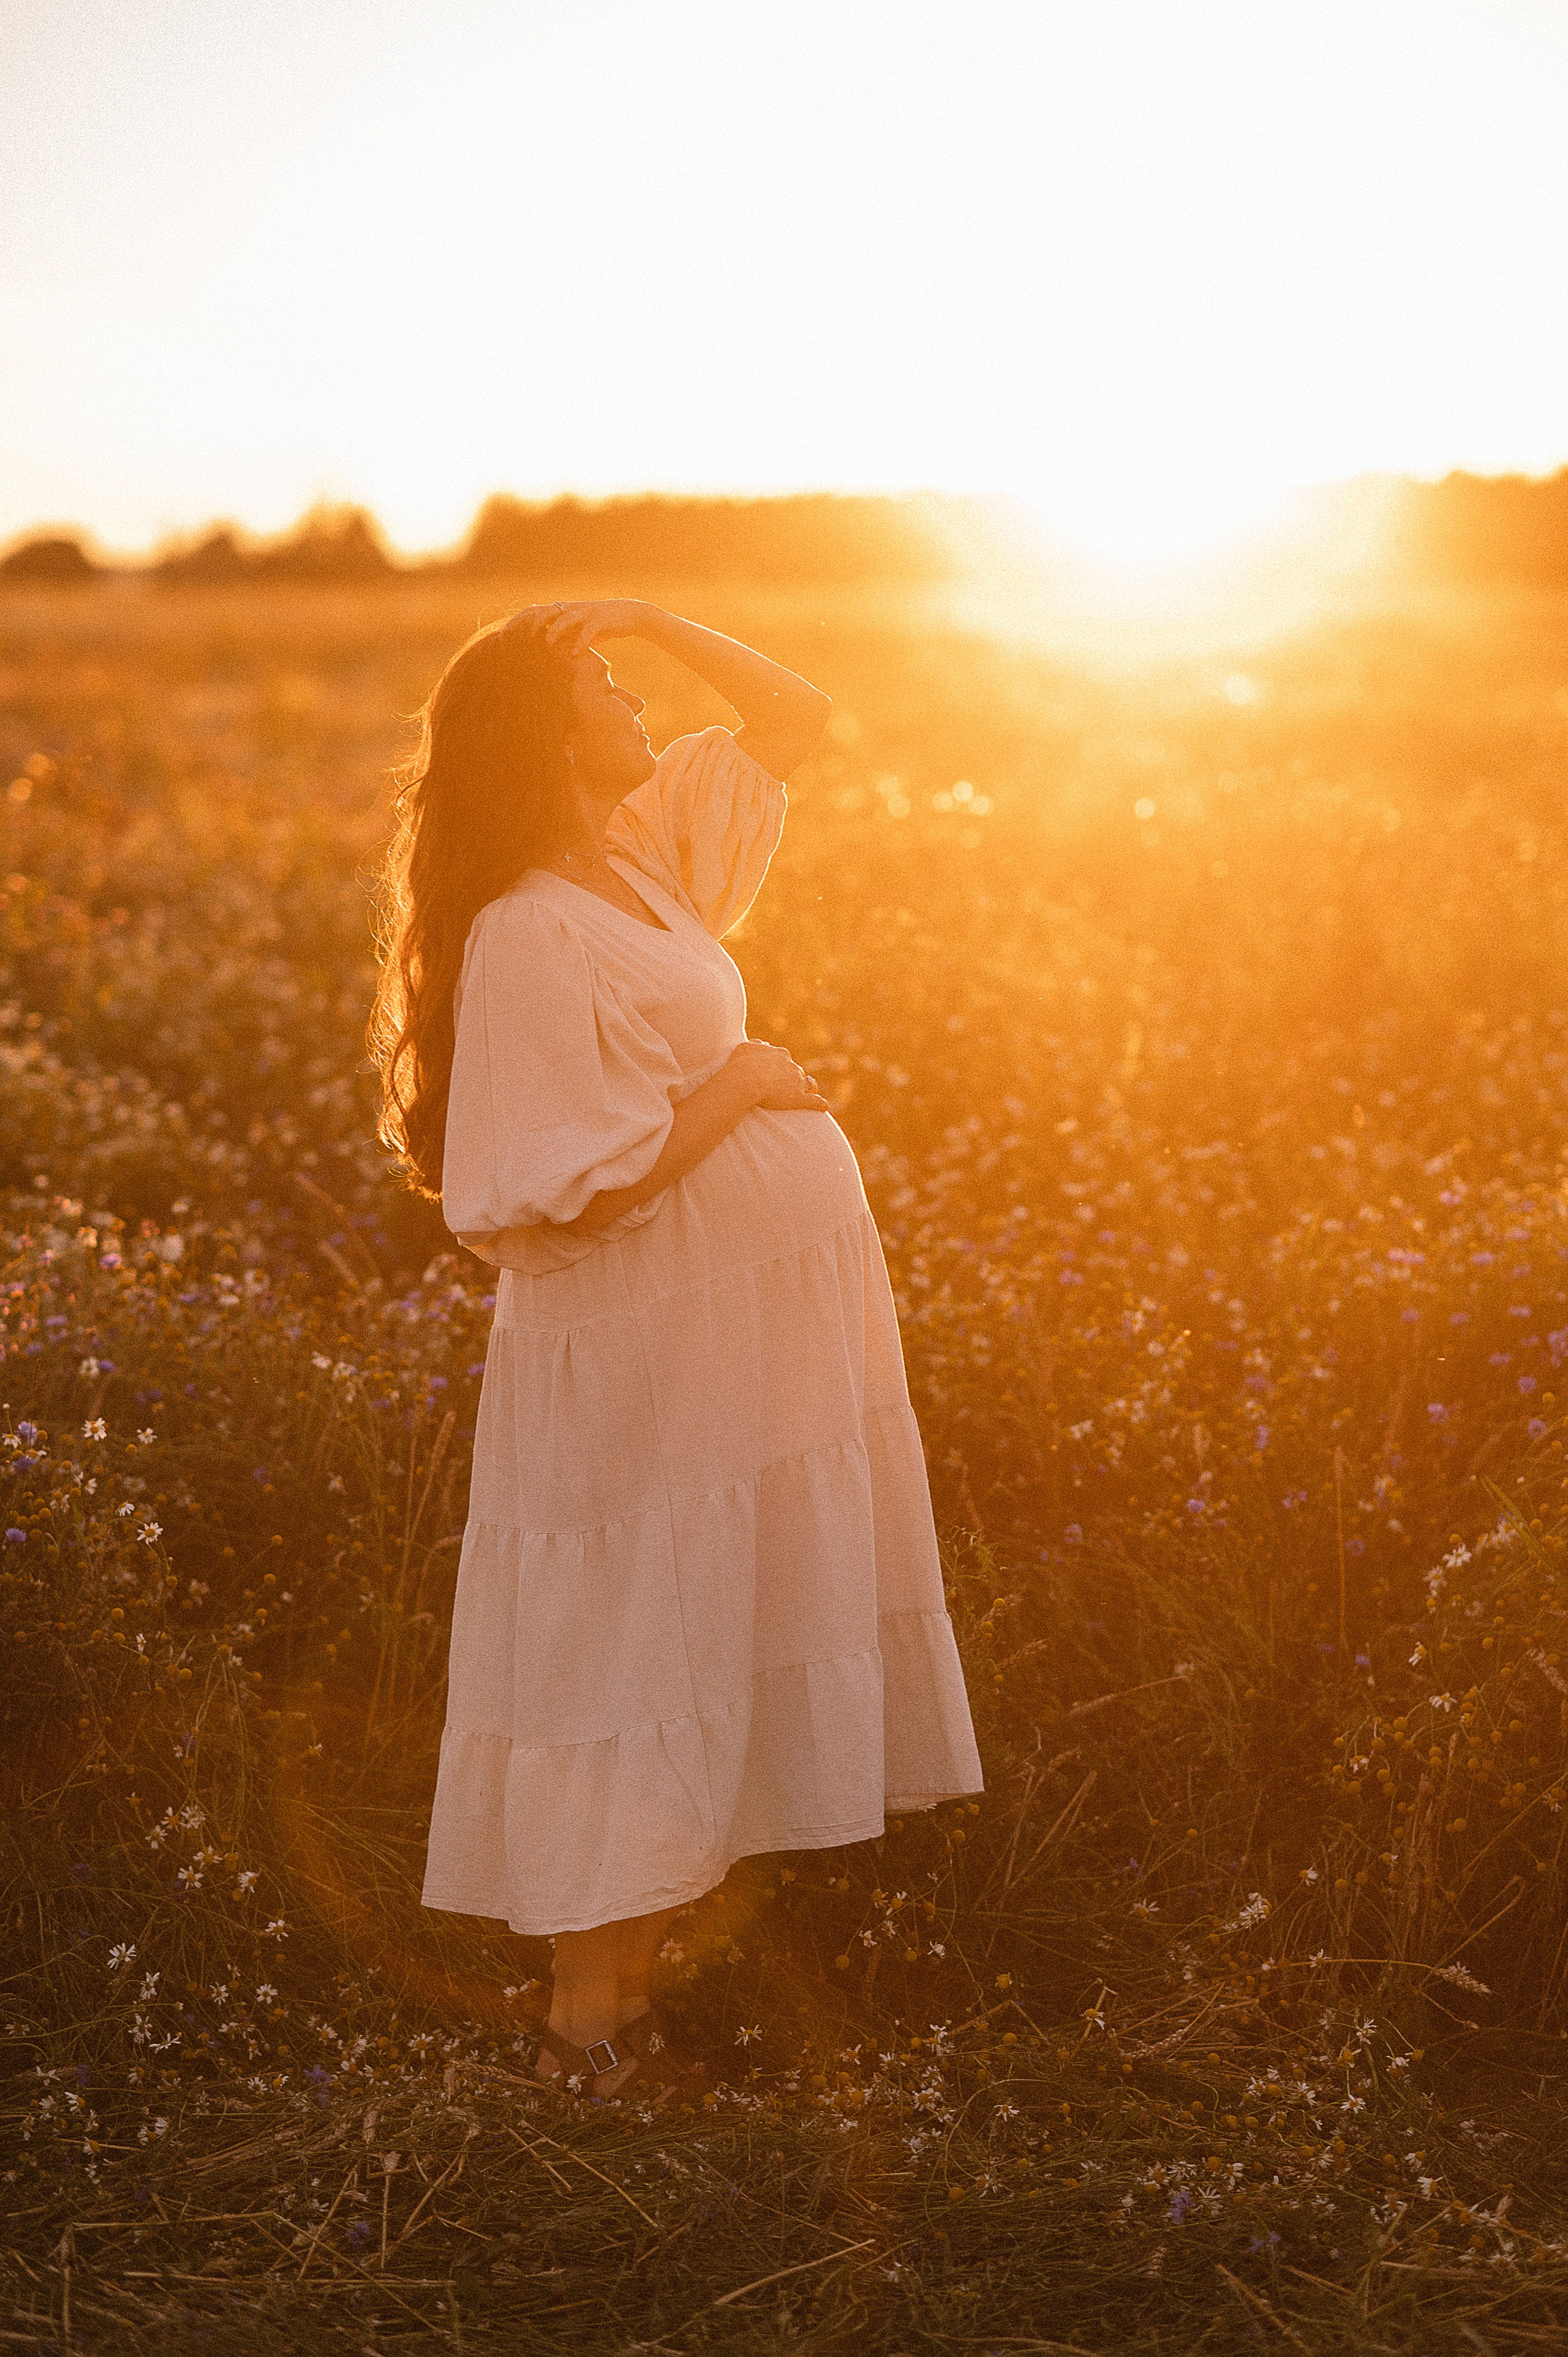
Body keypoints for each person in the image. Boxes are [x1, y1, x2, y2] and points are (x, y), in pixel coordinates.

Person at [369, 599, 982, 2102]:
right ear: (542, 731)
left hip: (726, 1336)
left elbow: (797, 718)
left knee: (688, 1638)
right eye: (608, 686)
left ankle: (625, 2016)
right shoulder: (523, 926)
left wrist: (653, 614)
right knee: (627, 1652)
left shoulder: (639, 862)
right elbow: (554, 1183)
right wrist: (748, 1086)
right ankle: (585, 2029)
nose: (639, 703)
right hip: (641, 1335)